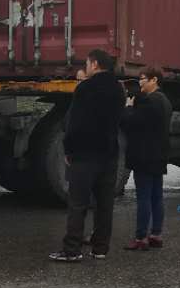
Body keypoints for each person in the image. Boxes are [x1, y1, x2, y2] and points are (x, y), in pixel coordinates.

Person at [50, 49, 126, 262]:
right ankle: (100, 248)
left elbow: (75, 123)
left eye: (87, 63)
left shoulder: (85, 88)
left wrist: (69, 149)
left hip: (85, 154)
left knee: (78, 203)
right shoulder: (118, 89)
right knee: (105, 203)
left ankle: (72, 249)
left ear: (94, 64)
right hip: (109, 153)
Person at [122, 66, 172, 251]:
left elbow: (131, 123)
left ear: (154, 80)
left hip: (144, 155)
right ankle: (156, 234)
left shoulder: (151, 102)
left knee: (143, 197)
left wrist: (128, 108)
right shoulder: (165, 101)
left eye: (143, 78)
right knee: (156, 196)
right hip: (158, 155)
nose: (140, 82)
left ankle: (141, 237)